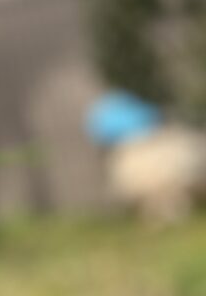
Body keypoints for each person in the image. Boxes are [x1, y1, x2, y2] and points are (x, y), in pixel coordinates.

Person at [86, 89, 206, 225]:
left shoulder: (103, 115)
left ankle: (165, 216)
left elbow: (102, 140)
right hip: (159, 152)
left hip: (137, 160)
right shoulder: (131, 110)